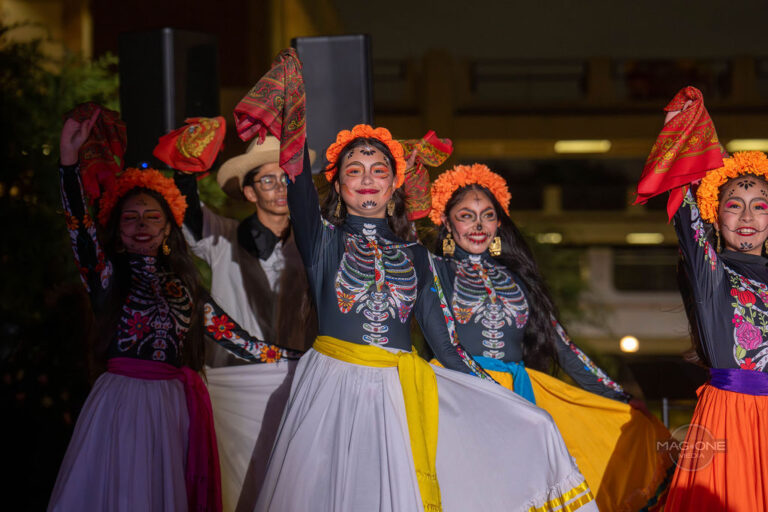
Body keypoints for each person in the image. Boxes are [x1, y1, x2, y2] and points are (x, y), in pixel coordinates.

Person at [249, 124, 597, 511]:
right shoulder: (322, 238)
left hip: (397, 395)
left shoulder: (417, 256)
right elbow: (298, 185)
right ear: (338, 183)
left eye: (379, 170)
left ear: (394, 183)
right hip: (332, 385)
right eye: (355, 170)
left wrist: (509, 402)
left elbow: (447, 347)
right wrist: (292, 115)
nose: (368, 179)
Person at [427, 163, 673, 510]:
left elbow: (564, 347)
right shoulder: (434, 271)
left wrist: (617, 395)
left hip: (519, 392)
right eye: (466, 216)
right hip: (457, 391)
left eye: (488, 216)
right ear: (446, 221)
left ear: (500, 223)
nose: (479, 226)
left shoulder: (518, 279)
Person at [48, 108, 221, 511]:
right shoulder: (106, 275)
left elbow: (228, 332)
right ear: (117, 229)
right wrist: (69, 163)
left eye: (151, 217)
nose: (141, 224)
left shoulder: (185, 285)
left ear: (167, 228)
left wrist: (284, 356)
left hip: (171, 408)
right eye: (130, 218)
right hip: (121, 403)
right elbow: (79, 229)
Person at [170, 133, 317, 511]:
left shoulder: (314, 244)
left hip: (298, 378)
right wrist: (185, 168)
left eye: (285, 178)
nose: (280, 188)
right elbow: (187, 213)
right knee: (237, 487)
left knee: (294, 486)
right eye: (268, 180)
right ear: (249, 192)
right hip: (235, 384)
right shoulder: (224, 237)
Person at [638, 88, 768, 511]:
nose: (747, 217)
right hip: (732, 418)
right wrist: (680, 132)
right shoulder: (711, 270)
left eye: (759, 206)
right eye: (734, 205)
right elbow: (684, 212)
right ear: (716, 212)